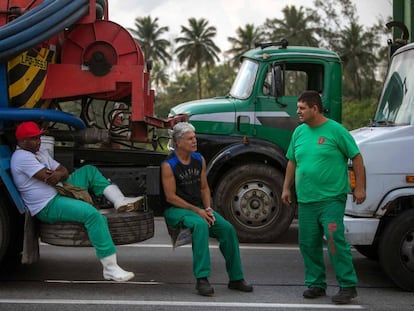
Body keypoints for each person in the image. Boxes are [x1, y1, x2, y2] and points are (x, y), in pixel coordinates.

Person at [11, 121, 143, 282]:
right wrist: (58, 174)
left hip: (60, 190)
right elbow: (49, 178)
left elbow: (63, 171)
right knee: (94, 216)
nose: (38, 141)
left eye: (39, 137)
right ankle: (110, 268)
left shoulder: (39, 153)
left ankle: (119, 200)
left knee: (89, 171)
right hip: (48, 205)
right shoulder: (21, 157)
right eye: (33, 139)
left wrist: (58, 174)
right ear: (22, 142)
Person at [281, 90, 366, 305]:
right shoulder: (299, 132)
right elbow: (292, 161)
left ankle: (347, 285)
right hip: (307, 199)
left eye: (301, 108)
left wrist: (360, 188)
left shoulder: (336, 130)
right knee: (308, 243)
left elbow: (356, 157)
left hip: (331, 198)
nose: (297, 111)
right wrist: (286, 188)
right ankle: (316, 284)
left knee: (334, 239)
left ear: (315, 109)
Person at [161, 122, 253, 296]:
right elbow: (170, 197)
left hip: (199, 208)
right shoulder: (169, 165)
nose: (195, 141)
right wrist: (198, 212)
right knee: (200, 225)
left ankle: (236, 278)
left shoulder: (199, 159)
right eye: (190, 138)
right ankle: (202, 280)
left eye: (194, 137)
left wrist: (208, 208)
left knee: (227, 229)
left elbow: (204, 188)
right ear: (179, 142)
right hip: (176, 209)